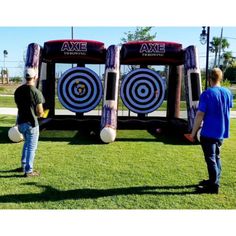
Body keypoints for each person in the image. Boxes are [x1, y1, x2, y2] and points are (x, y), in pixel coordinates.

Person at [188, 68, 233, 194]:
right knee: (216, 157)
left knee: (211, 159)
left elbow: (200, 115)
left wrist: (192, 133)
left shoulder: (207, 94)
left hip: (208, 132)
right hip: (221, 132)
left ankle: (213, 187)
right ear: (220, 78)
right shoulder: (227, 93)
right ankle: (213, 181)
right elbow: (226, 110)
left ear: (209, 79)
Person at [14, 68, 45, 177]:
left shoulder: (18, 90)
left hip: (21, 122)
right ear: (35, 77)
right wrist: (40, 114)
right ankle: (28, 171)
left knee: (26, 145)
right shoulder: (36, 92)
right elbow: (40, 111)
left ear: (25, 77)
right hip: (31, 123)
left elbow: (19, 106)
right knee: (31, 147)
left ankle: (23, 165)